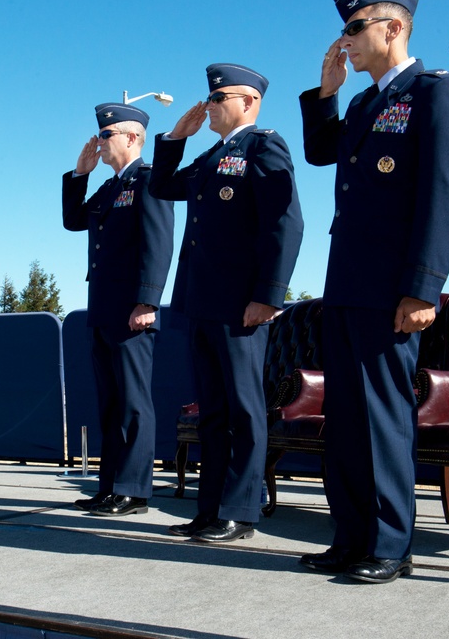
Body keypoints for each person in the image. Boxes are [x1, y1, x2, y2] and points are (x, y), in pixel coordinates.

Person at [298, 0, 449, 582]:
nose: (344, 40)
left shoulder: (435, 94)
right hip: (347, 286)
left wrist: (424, 287)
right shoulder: (362, 105)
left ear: (393, 28)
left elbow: (444, 195)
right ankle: (350, 536)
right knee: (344, 417)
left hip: (394, 291)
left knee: (381, 417)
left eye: (354, 29)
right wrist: (325, 94)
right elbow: (323, 153)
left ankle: (391, 544)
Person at [149, 64, 303, 542]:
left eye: (220, 99)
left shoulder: (263, 144)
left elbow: (286, 222)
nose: (210, 105)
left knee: (242, 409)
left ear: (248, 102)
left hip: (241, 304)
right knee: (213, 411)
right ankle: (211, 508)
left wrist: (268, 296)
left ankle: (240, 511)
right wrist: (176, 136)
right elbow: (161, 186)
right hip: (201, 301)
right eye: (210, 98)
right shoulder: (211, 155)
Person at [62, 103, 175, 516]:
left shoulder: (149, 181)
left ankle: (134, 490)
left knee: (132, 401)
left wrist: (147, 300)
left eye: (106, 136)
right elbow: (74, 220)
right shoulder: (110, 188)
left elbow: (158, 241)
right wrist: (80, 173)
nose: (100, 141)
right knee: (109, 402)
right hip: (103, 311)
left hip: (132, 310)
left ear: (131, 137)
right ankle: (110, 486)